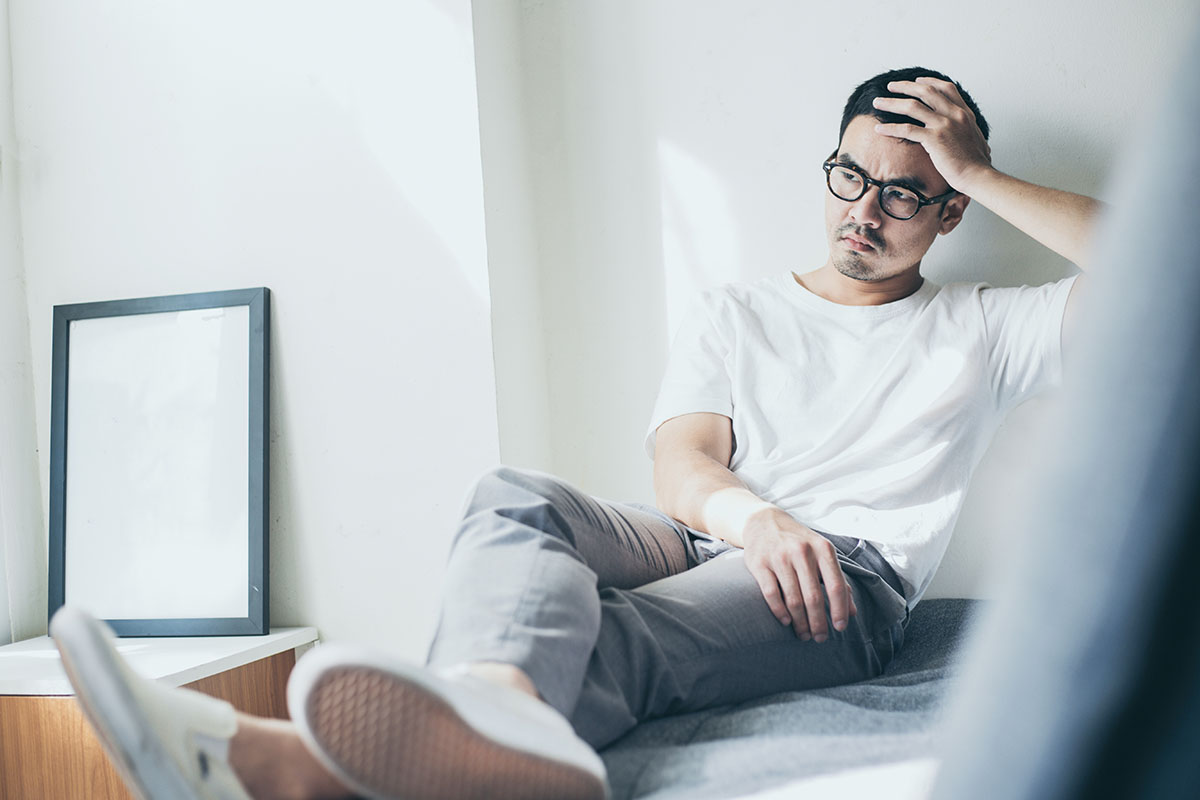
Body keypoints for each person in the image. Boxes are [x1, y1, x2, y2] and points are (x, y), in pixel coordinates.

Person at [51, 66, 1101, 800]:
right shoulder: (739, 309)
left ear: (947, 213)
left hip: (844, 577)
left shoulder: (984, 327)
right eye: (849, 176)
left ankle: (280, 762)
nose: (864, 210)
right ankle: (495, 707)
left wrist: (983, 174)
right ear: (825, 164)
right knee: (516, 498)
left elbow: (1163, 269)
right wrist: (759, 519)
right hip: (715, 528)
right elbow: (681, 462)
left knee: (617, 636)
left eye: (906, 194)